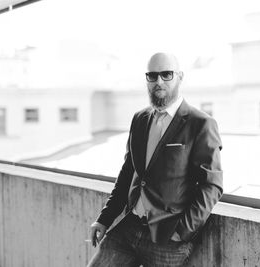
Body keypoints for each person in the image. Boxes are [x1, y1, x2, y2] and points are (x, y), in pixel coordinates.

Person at [87, 52, 223, 267]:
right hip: (129, 227)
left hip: (168, 239)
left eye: (166, 74)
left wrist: (182, 232)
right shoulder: (140, 119)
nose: (158, 81)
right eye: (152, 75)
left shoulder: (201, 124)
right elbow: (128, 172)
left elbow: (211, 185)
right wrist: (105, 218)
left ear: (180, 77)